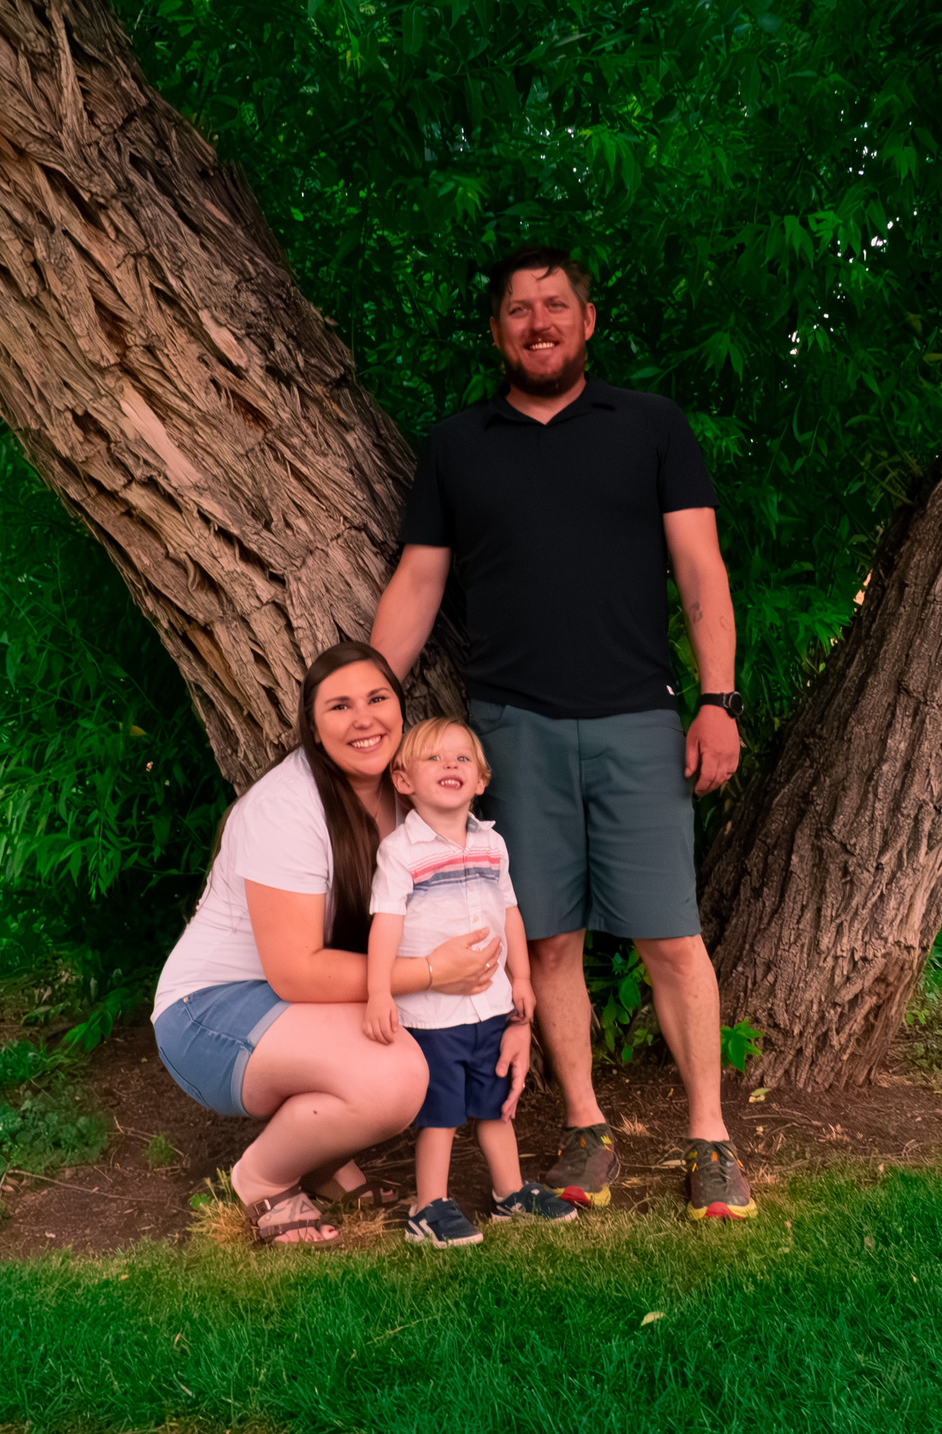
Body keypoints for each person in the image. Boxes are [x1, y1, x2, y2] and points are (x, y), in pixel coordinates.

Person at [370, 246, 757, 1221]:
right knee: (545, 943)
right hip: (512, 729)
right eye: (516, 310)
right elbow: (419, 582)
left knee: (669, 939)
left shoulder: (649, 427)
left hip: (637, 719)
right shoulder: (460, 444)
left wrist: (718, 702)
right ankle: (585, 1127)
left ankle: (708, 1136)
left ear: (586, 320)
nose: (536, 322)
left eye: (553, 305)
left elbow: (702, 575)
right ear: (497, 331)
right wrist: (371, 703)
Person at [151, 641, 530, 1246]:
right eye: (339, 706)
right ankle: (264, 1178)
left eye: (378, 698)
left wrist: (510, 1013)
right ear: (313, 726)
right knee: (398, 1076)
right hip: (209, 1013)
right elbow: (296, 975)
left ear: (399, 708)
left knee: (409, 1053)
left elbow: (479, 901)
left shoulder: (408, 794)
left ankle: (321, 1159)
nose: (364, 719)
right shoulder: (285, 808)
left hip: (299, 1005)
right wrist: (432, 972)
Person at [363, 716, 578, 1246]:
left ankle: (510, 1194)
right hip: (433, 1016)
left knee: (495, 1105)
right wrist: (378, 991)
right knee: (440, 1115)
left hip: (490, 1006)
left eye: (462, 758)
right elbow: (385, 925)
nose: (450, 766)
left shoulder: (491, 845)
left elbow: (509, 910)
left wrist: (521, 977)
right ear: (403, 780)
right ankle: (428, 1207)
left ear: (481, 781)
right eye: (433, 758)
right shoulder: (401, 853)